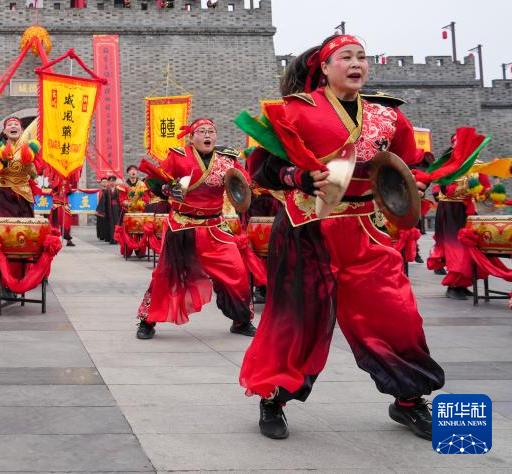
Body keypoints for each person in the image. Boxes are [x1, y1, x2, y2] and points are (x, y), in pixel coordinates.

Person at [239, 34, 443, 442]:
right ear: (325, 67)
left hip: (365, 228)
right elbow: (260, 167)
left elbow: (411, 162)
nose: (356, 64)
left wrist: (416, 182)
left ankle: (409, 400)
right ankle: (273, 397)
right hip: (307, 228)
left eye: (362, 57)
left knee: (394, 311)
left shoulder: (387, 116)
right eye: (346, 57)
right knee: (298, 319)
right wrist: (297, 176)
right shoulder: (297, 111)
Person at [135, 119, 256, 339]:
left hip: (214, 227)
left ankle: (241, 320)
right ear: (191, 137)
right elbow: (155, 180)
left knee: (237, 271)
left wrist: (248, 187)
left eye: (211, 131)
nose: (207, 135)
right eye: (202, 131)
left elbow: (243, 182)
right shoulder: (178, 156)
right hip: (183, 225)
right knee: (165, 275)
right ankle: (147, 320)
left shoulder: (226, 159)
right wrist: (167, 188)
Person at [426, 137, 491, 300]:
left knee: (470, 247)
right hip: (450, 210)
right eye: (457, 144)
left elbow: (485, 188)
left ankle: (462, 284)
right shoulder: (449, 163)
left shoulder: (477, 164)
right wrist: (453, 188)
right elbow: (440, 185)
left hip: (468, 211)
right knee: (455, 248)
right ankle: (453, 286)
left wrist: (489, 193)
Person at [0, 117, 38, 217]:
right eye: (9, 125)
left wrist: (28, 163)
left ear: (22, 131)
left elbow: (34, 176)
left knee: (25, 226)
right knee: (4, 225)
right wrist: (2, 161)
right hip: (3, 194)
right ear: (5, 132)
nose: (13, 126)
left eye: (16, 124)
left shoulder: (29, 149)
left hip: (24, 195)